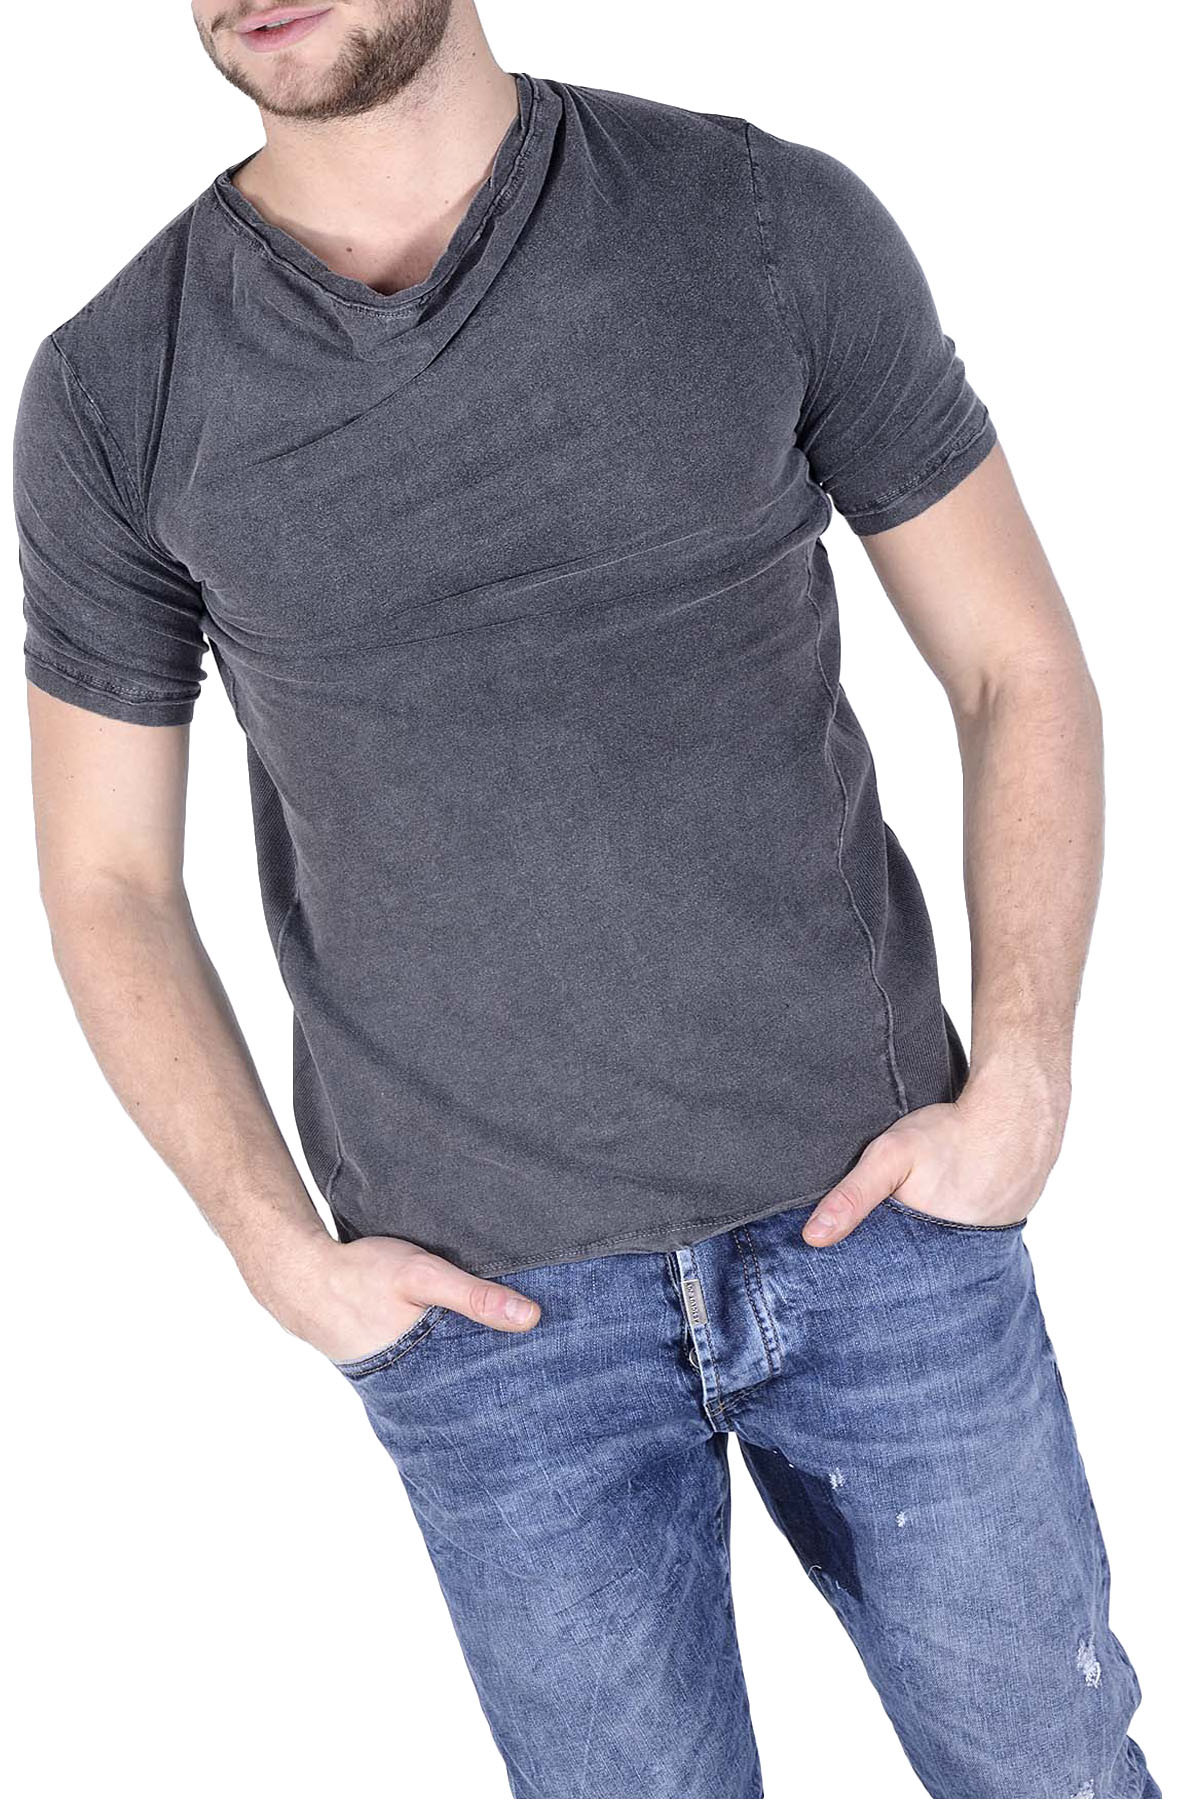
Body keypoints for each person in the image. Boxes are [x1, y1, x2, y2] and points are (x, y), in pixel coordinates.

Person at [12, 3, 1158, 1795]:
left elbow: (1018, 666)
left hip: (880, 1230)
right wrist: (274, 1250)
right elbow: (105, 879)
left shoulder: (758, 221)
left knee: (1055, 1772)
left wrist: (1021, 1077)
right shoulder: (115, 386)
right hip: (491, 1323)